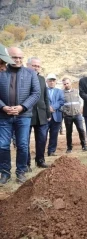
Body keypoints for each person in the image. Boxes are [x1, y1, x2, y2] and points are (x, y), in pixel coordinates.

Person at [0, 47, 40, 185]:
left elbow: (36, 94)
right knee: (3, 145)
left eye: (20, 57)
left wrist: (22, 107)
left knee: (23, 145)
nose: (17, 60)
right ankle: (5, 173)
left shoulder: (30, 73)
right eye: (14, 57)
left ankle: (21, 172)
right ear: (7, 58)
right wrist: (3, 107)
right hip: (4, 115)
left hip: (24, 116)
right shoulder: (1, 71)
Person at [26, 57, 51, 170]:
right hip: (27, 114)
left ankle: (40, 160)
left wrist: (48, 113)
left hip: (41, 114)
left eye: (38, 66)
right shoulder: (23, 77)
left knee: (42, 139)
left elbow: (45, 97)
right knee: (24, 140)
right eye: (34, 65)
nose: (36, 67)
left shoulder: (41, 79)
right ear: (28, 65)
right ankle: (26, 164)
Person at [62, 78, 87, 153]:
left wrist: (81, 108)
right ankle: (69, 148)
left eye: (67, 83)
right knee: (69, 132)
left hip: (77, 115)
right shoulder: (62, 93)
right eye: (65, 84)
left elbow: (81, 101)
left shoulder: (77, 91)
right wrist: (65, 111)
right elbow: (61, 104)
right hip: (67, 116)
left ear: (71, 83)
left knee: (81, 130)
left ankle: (84, 145)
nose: (66, 85)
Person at [46, 74, 64, 156]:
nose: (52, 82)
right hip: (45, 117)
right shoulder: (43, 90)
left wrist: (53, 107)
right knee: (43, 135)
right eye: (50, 81)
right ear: (47, 82)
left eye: (53, 81)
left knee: (54, 134)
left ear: (55, 82)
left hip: (56, 116)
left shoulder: (59, 91)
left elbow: (61, 101)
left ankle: (51, 151)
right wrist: (47, 108)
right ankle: (41, 150)